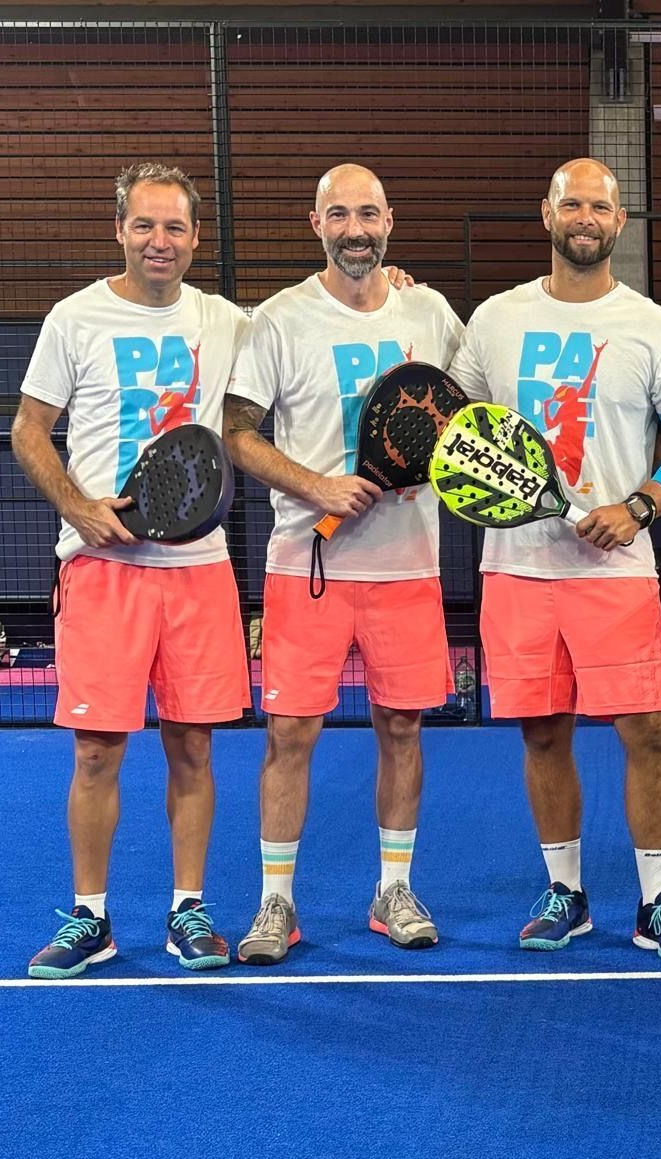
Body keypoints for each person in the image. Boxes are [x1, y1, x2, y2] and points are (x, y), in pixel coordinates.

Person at [448, 158, 661, 962]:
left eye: (600, 205)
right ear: (547, 213)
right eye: (572, 202)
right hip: (516, 569)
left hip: (617, 573)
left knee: (646, 733)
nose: (585, 216)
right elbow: (463, 431)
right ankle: (565, 890)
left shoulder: (652, 326)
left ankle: (657, 898)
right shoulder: (494, 319)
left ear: (619, 220)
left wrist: (636, 506)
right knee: (542, 734)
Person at [222, 164, 464, 964]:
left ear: (390, 219)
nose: (355, 229)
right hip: (308, 565)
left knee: (403, 727)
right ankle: (275, 905)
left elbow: (470, 415)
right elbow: (239, 433)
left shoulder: (430, 311)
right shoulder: (280, 320)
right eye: (339, 215)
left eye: (368, 213)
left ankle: (393, 889)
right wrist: (317, 483)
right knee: (290, 732)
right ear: (315, 222)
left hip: (408, 566)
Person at [13, 162, 250, 978]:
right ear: (119, 229)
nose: (160, 241)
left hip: (198, 571)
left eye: (175, 227)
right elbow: (29, 431)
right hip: (102, 570)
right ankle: (91, 917)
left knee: (193, 748)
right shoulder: (74, 317)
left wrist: (385, 273)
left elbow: (315, 319)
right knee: (95, 753)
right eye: (145, 225)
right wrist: (79, 507)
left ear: (195, 237)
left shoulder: (226, 320)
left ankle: (189, 910)